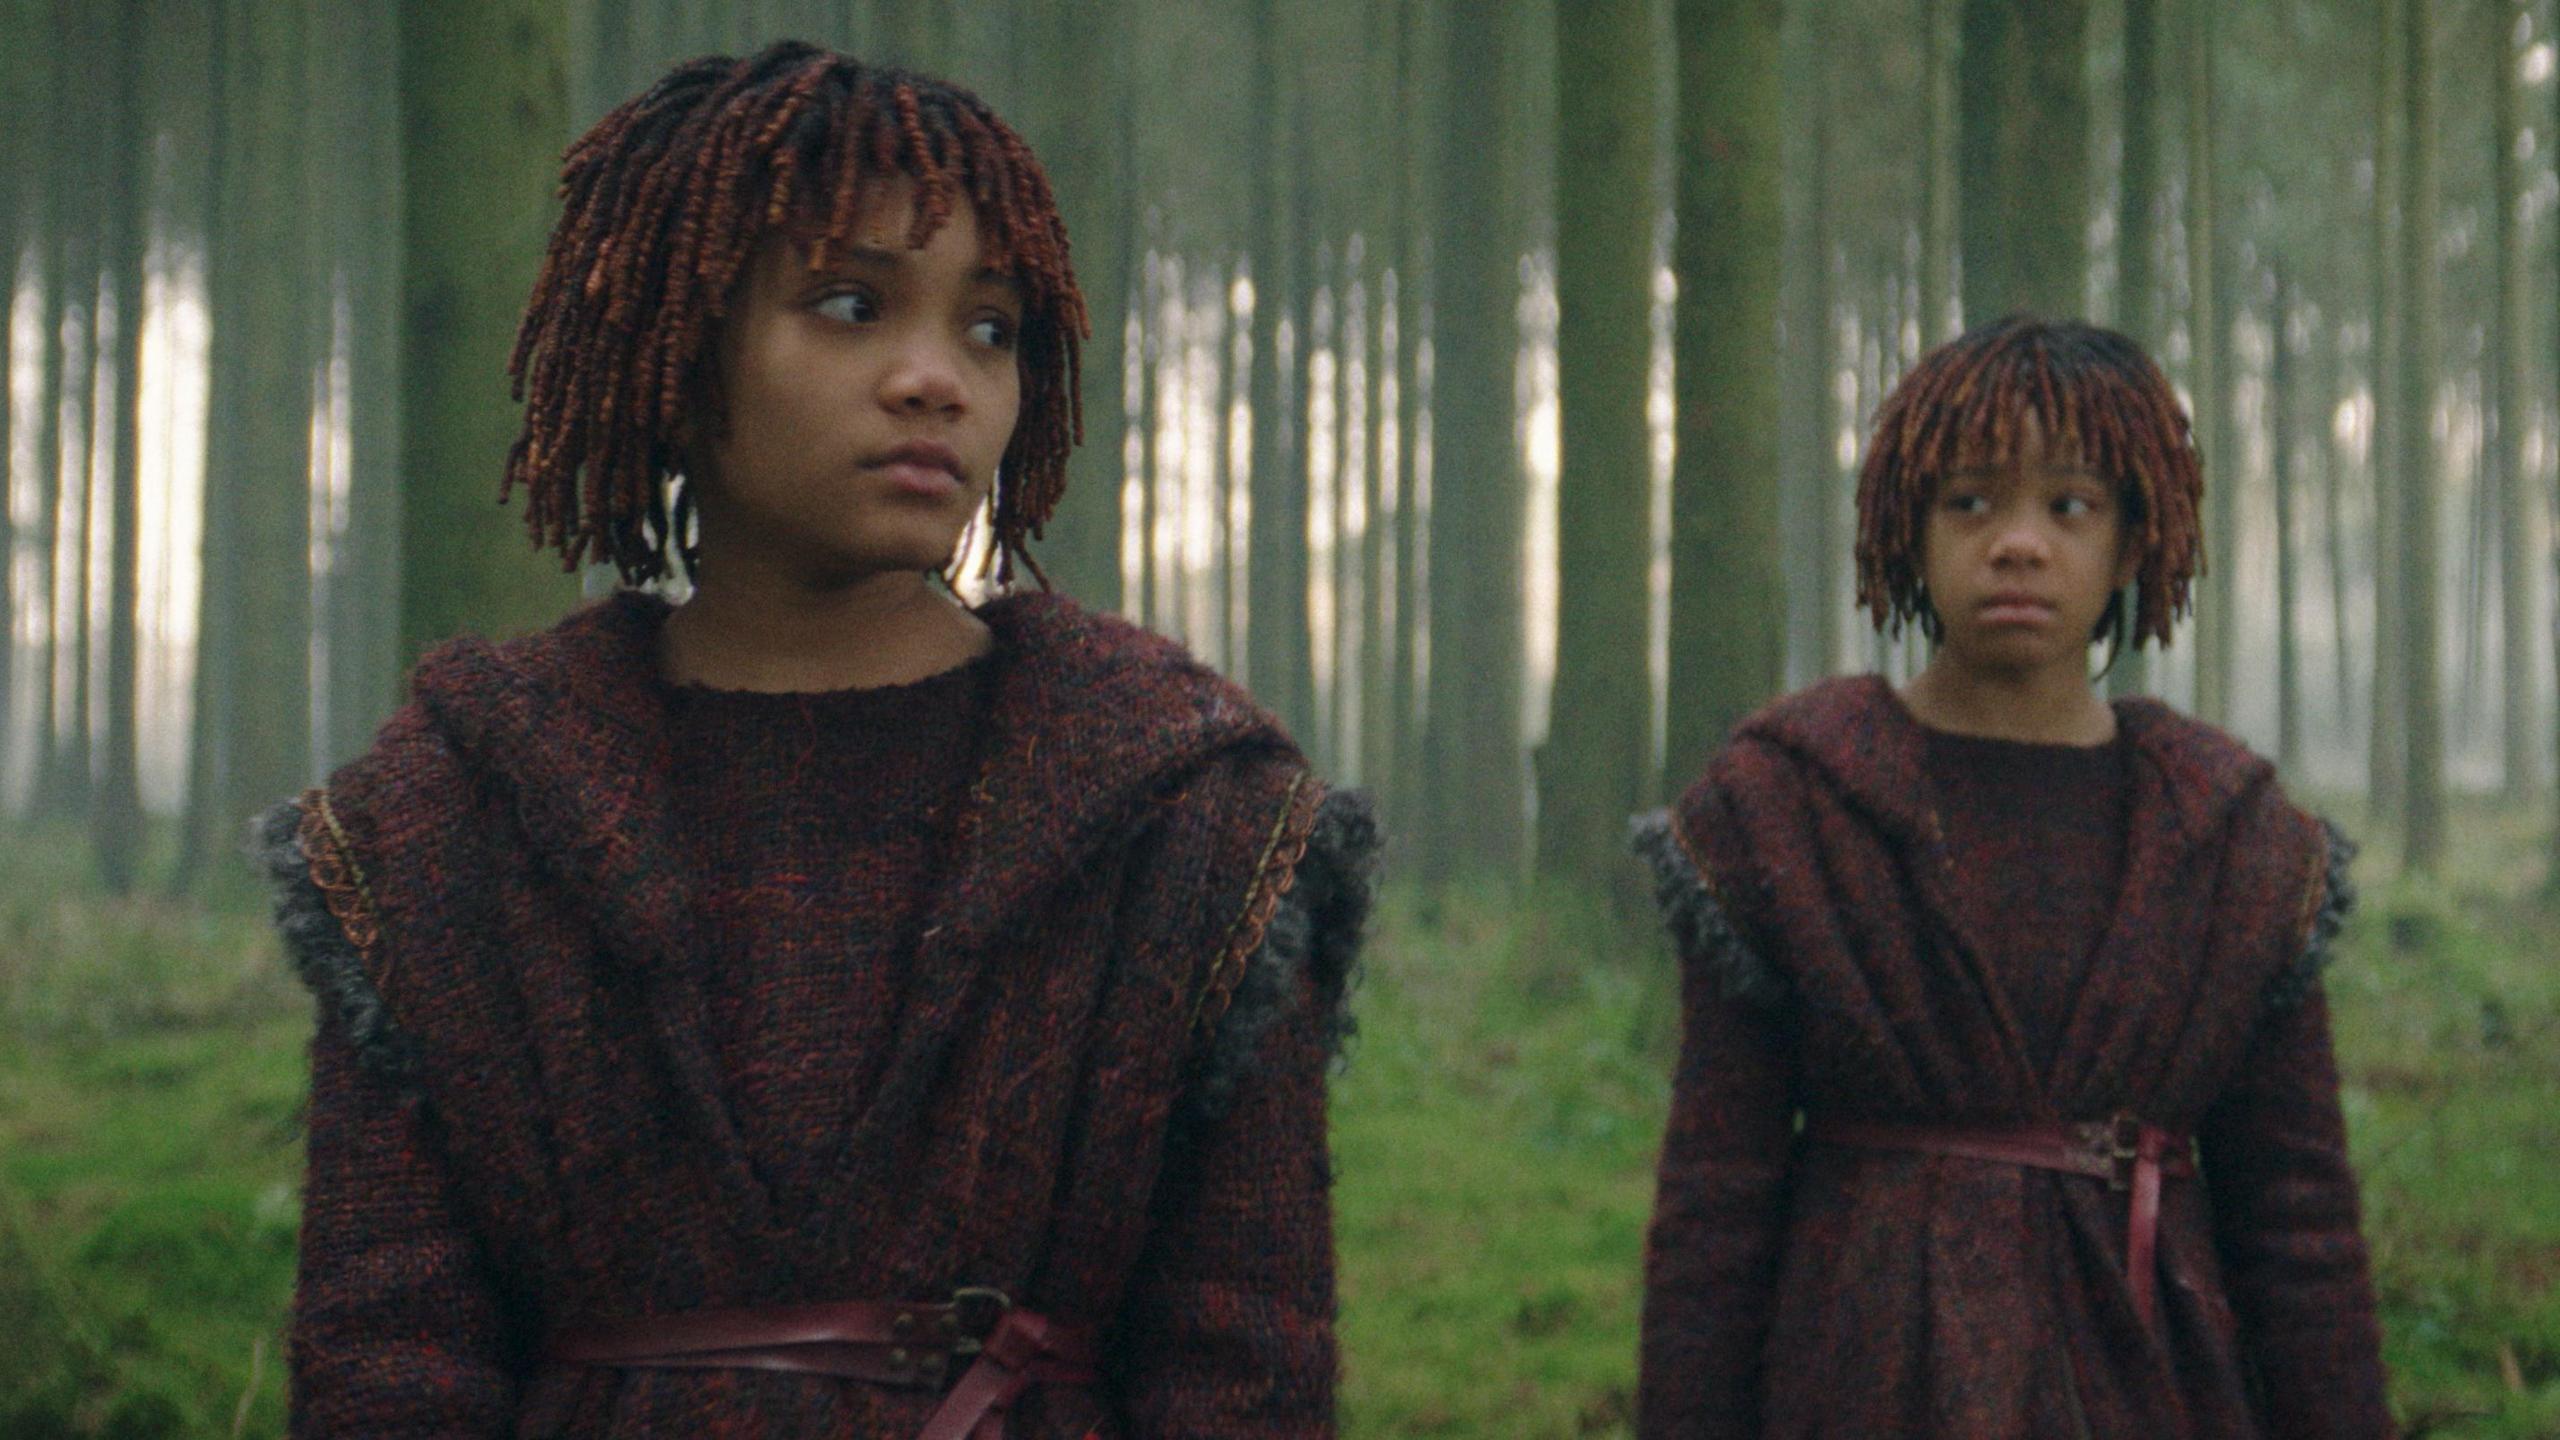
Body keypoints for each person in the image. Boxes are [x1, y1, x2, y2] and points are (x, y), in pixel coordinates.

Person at [256, 42, 1371, 1440]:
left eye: (991, 328)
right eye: (849, 305)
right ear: (673, 343)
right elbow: (386, 1361)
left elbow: (1246, 1369)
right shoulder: (445, 825)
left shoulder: (1192, 823)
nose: (935, 381)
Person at [1632, 317, 2390, 1438]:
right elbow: (1715, 1207)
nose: (2017, 543)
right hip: (1860, 1379)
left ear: (2134, 541)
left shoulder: (2233, 840)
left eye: (2069, 506)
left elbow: (2298, 1225)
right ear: (1911, 530)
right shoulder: (1791, 810)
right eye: (1971, 503)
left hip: (2154, 1385)